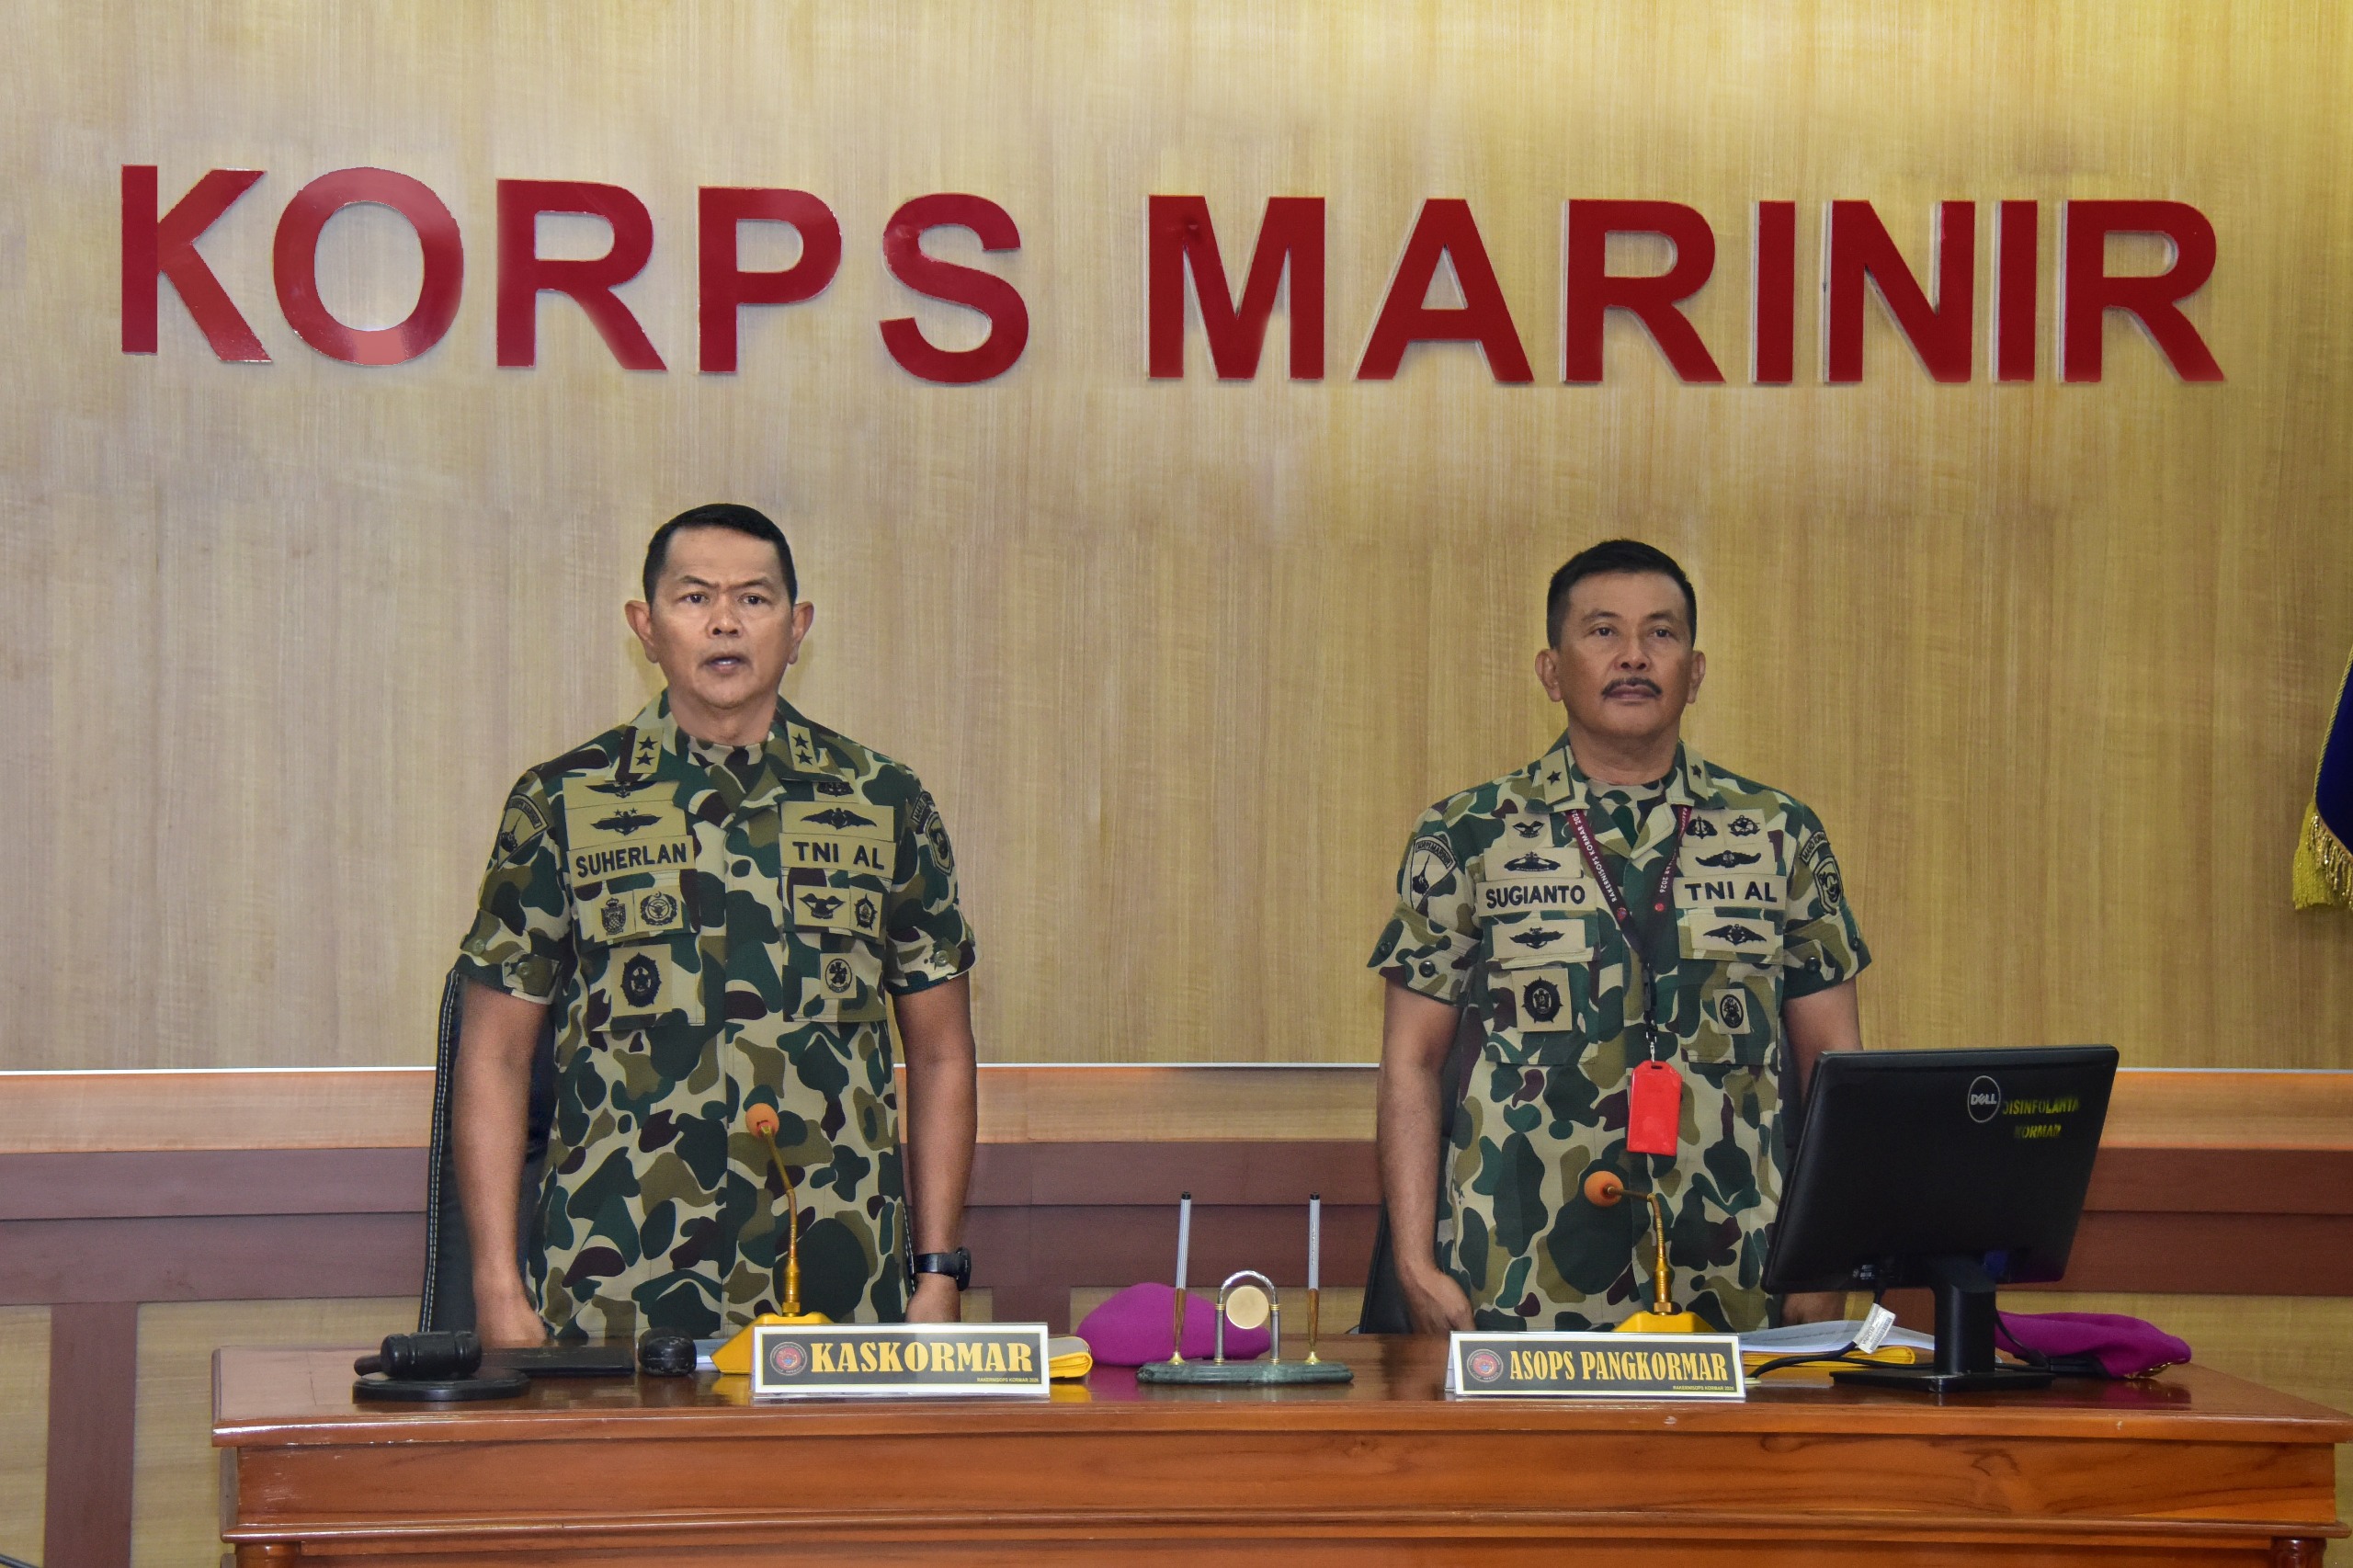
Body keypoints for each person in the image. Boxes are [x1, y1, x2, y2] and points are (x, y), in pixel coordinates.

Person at [450, 503, 979, 1346]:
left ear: (797, 628)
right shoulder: (562, 803)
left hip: (839, 1288)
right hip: (612, 1290)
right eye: (694, 597)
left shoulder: (883, 802)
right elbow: (496, 1053)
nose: (725, 622)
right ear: (646, 627)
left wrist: (939, 1272)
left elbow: (943, 1052)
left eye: (754, 599)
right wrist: (495, 1287)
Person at [1370, 539, 1868, 1334]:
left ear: (1694, 672)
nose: (1634, 656)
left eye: (1661, 633)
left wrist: (1828, 1260)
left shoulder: (1780, 834)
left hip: (1740, 1278)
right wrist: (1414, 1266)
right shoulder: (1467, 834)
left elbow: (1838, 1070)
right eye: (1603, 631)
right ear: (1551, 670)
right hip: (1518, 1282)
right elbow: (1411, 1063)